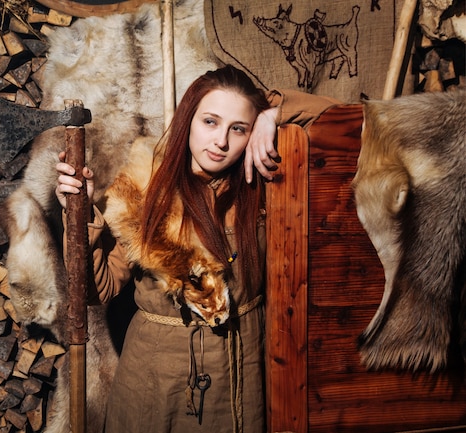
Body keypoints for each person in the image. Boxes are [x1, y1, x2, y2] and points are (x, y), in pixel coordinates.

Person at [55, 65, 338, 433]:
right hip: (158, 380)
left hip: (246, 369)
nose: (221, 141)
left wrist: (273, 113)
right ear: (188, 120)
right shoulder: (144, 190)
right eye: (210, 121)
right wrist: (81, 216)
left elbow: (343, 116)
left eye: (238, 129)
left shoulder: (265, 183)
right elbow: (99, 290)